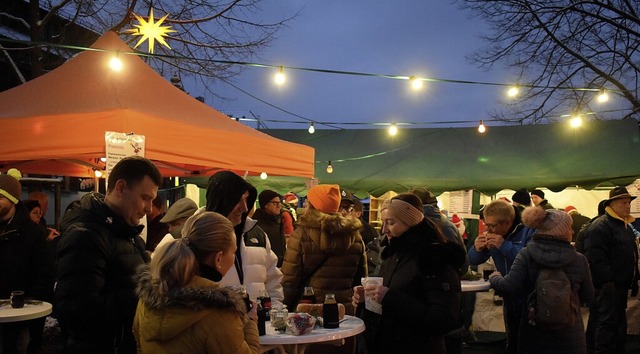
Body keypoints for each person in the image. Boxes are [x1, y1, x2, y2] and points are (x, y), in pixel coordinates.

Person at [54, 156, 162, 354]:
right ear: (120, 188)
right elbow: (76, 311)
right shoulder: (85, 236)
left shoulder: (128, 233)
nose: (148, 209)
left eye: (152, 200)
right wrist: (146, 293)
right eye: (145, 198)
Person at [352, 193, 466, 354]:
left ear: (410, 223)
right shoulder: (393, 254)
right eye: (383, 223)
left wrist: (389, 298)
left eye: (390, 223)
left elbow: (443, 320)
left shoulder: (434, 258)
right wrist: (367, 300)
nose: (384, 230)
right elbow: (389, 304)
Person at [133, 212, 260, 353]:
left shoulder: (148, 297)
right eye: (233, 252)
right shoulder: (219, 314)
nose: (234, 257)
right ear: (218, 259)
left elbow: (139, 346)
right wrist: (250, 323)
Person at [489, 206, 595, 354]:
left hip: (533, 332)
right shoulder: (579, 260)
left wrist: (495, 277)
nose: (572, 232)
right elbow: (588, 296)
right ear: (560, 231)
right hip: (570, 335)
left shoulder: (526, 254)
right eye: (569, 228)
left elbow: (508, 285)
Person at [281, 184, 367, 313]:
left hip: (309, 310)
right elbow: (361, 280)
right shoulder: (355, 236)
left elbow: (290, 282)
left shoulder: (301, 235)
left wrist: (284, 308)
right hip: (344, 311)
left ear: (312, 206)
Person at [467, 199, 535, 354]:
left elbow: (531, 258)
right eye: (486, 224)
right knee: (512, 336)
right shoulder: (494, 232)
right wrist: (477, 249)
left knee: (527, 339)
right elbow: (474, 260)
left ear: (507, 223)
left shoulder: (529, 230)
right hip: (508, 293)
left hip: (529, 294)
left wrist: (504, 245)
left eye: (492, 225)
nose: (488, 229)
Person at [204, 170, 283, 302]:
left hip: (258, 320)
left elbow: (273, 280)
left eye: (246, 200)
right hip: (220, 320)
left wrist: (272, 312)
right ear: (222, 200)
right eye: (237, 201)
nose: (245, 208)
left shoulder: (258, 235)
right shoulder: (197, 238)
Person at [0, 169, 54, 354]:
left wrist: (27, 307)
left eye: (0, 196)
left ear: (13, 199)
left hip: (21, 318)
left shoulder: (33, 233)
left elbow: (44, 274)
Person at [583, 187, 639, 354]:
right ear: (611, 204)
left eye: (629, 202)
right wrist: (607, 282)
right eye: (624, 202)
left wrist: (634, 278)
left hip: (619, 286)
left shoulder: (625, 226)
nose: (628, 206)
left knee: (616, 324)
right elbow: (595, 258)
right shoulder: (601, 227)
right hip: (608, 287)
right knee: (606, 325)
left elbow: (631, 256)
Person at [253, 189, 286, 267]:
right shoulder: (258, 225)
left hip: (280, 266)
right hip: (268, 268)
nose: (278, 206)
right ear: (266, 205)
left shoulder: (277, 222)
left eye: (279, 203)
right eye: (275, 203)